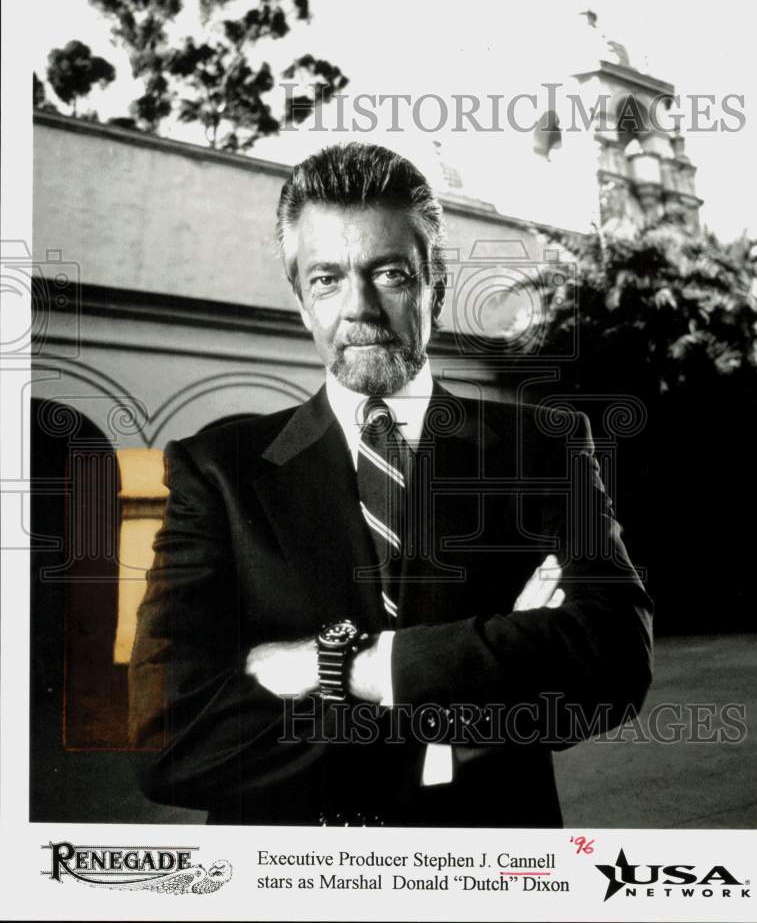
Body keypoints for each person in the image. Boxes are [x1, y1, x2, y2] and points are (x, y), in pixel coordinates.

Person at [128, 142, 653, 827]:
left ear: (434, 282)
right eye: (326, 279)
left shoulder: (546, 451)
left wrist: (355, 666)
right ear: (300, 301)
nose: (359, 308)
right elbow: (170, 735)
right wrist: (457, 721)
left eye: (390, 274)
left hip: (487, 871)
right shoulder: (217, 469)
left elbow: (612, 658)